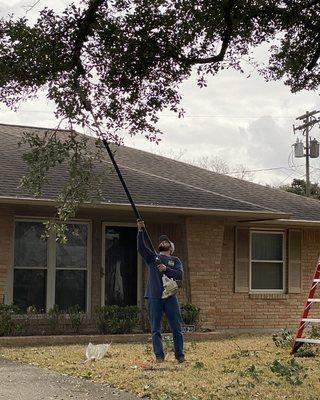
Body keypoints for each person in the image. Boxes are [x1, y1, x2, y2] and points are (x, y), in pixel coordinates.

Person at [137, 219, 185, 363]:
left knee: (176, 327)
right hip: (154, 297)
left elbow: (180, 275)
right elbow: (141, 248)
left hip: (170, 297)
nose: (164, 242)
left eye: (167, 241)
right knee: (156, 329)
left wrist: (166, 269)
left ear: (171, 248)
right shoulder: (152, 257)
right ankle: (159, 356)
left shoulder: (175, 260)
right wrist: (140, 231)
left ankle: (180, 355)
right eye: (162, 241)